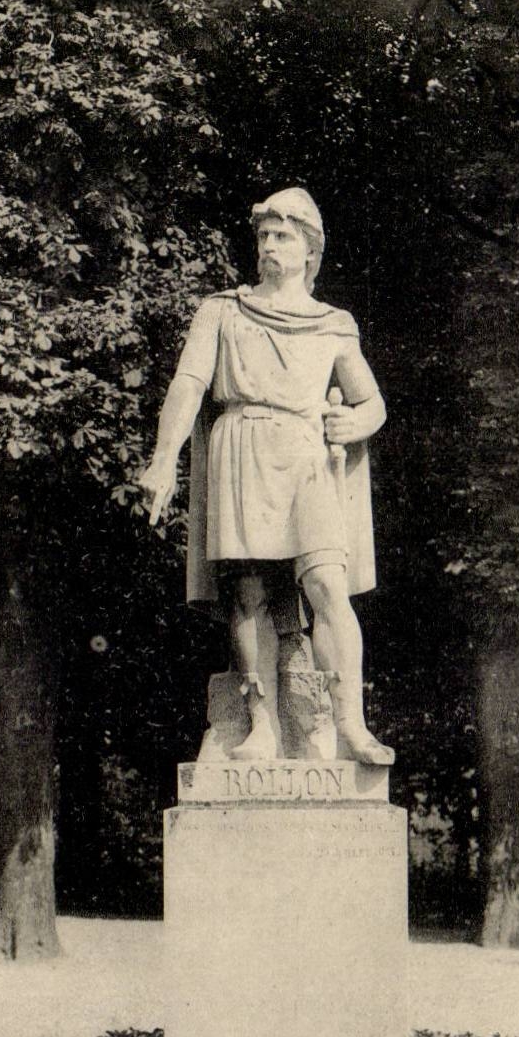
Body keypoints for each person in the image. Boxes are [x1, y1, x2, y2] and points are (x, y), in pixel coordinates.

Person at [138, 187, 394, 765]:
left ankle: (349, 723)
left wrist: (351, 423)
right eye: (264, 236)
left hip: (305, 455)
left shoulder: (333, 324)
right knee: (249, 595)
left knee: (328, 585)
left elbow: (373, 403)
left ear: (310, 250)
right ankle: (262, 725)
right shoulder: (222, 310)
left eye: (283, 236)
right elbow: (188, 385)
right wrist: (163, 459)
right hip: (243, 443)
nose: (269, 246)